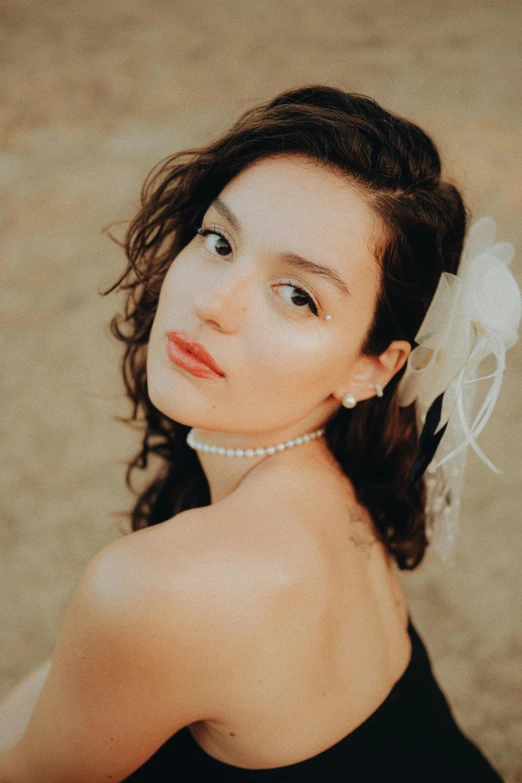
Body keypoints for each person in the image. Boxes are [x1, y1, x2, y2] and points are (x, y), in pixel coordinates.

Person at [0, 84, 514, 782]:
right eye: (219, 240)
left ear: (375, 364)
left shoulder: (161, 588)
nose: (213, 302)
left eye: (298, 295)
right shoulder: (337, 485)